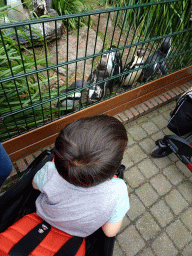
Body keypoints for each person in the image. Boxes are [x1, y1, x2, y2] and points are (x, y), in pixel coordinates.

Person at [32, 115, 129, 255]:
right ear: (112, 169)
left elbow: (35, 186)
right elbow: (109, 232)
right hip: (79, 233)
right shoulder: (118, 190)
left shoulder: (51, 171)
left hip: (44, 216)